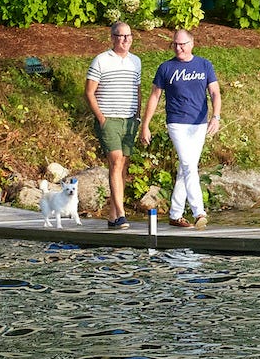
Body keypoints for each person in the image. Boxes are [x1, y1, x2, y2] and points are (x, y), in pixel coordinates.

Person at [141, 25, 224, 227]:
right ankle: (199, 212)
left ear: (192, 44)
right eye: (175, 44)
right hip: (177, 122)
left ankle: (175, 214)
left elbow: (215, 92)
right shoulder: (166, 68)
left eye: (182, 44)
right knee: (188, 165)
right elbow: (154, 96)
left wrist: (216, 116)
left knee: (185, 169)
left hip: (199, 123)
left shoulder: (204, 65)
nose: (178, 48)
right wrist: (145, 125)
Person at [84, 18, 147, 225]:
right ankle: (121, 214)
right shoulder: (101, 60)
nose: (125, 40)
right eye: (121, 36)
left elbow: (137, 90)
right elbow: (89, 91)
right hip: (109, 119)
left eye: (129, 36)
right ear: (112, 38)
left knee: (124, 166)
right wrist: (101, 118)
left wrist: (138, 116)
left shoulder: (135, 61)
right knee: (116, 161)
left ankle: (112, 216)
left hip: (129, 120)